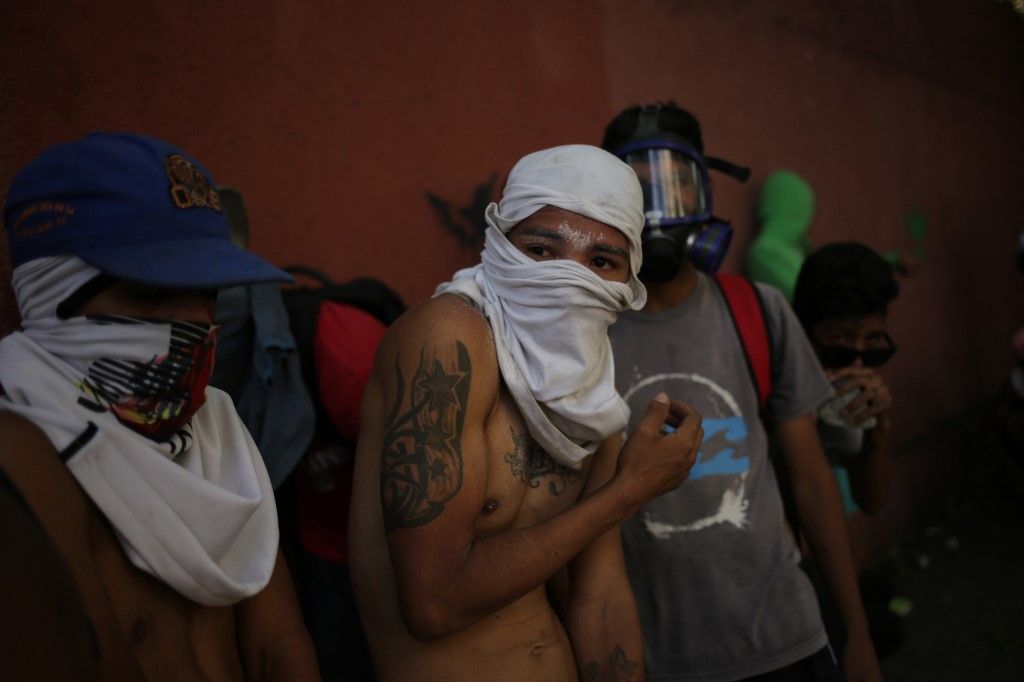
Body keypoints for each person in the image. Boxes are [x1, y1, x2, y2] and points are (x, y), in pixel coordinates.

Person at [348, 144, 704, 681]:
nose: (568, 279)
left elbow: (600, 596)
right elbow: (433, 605)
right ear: (498, 243)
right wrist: (627, 493)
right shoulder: (449, 342)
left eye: (601, 262)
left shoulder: (589, 388)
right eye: (541, 250)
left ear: (628, 281)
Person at [0, 133, 319, 680]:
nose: (195, 321)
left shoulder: (215, 424)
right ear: (49, 294)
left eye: (209, 294)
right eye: (150, 292)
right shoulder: (25, 451)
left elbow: (277, 648)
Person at [601, 103, 882, 681]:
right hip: (658, 657)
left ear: (704, 193)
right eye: (638, 191)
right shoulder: (586, 336)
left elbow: (812, 482)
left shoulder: (757, 311)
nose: (658, 214)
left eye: (675, 188)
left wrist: (856, 636)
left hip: (787, 638)